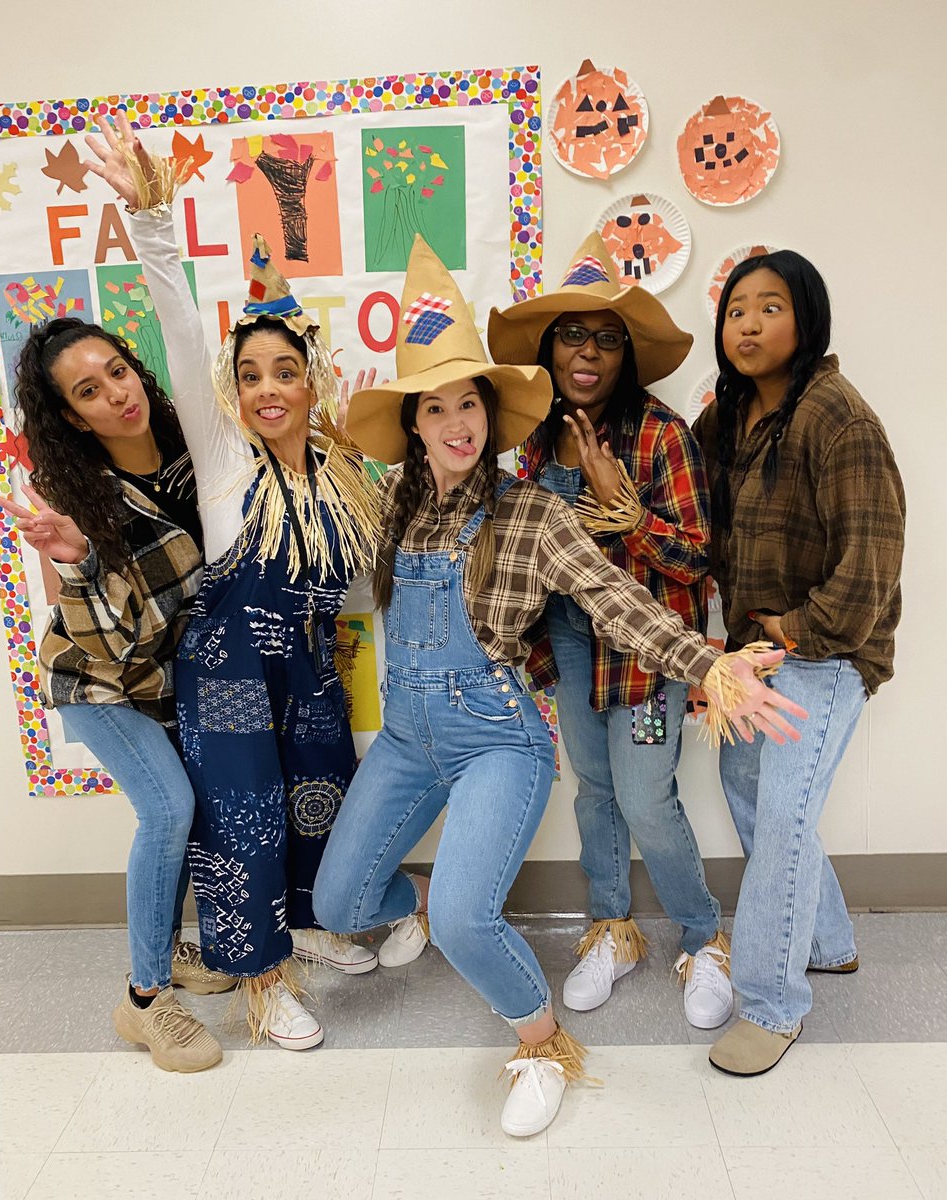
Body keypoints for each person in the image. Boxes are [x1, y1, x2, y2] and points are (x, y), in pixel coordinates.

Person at [313, 235, 807, 1137]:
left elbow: (621, 600)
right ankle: (427, 904)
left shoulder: (533, 508)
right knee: (337, 905)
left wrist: (713, 665)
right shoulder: (390, 504)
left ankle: (542, 1041)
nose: (458, 422)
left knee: (484, 913)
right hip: (407, 740)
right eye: (437, 407)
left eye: (472, 404)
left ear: (492, 418)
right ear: (414, 424)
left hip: (499, 735)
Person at [84, 112, 383, 1048]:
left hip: (310, 671)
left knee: (322, 795)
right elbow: (176, 319)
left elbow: (369, 593)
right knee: (243, 826)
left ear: (312, 380)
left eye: (284, 371)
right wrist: (153, 224)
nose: (265, 389)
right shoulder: (222, 460)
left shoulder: (343, 478)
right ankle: (258, 980)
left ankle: (307, 930)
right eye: (248, 373)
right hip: (227, 678)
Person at [488, 234, 732, 1029]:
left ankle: (703, 936)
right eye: (572, 334)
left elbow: (697, 556)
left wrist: (625, 512)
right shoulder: (528, 440)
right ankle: (612, 926)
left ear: (627, 355)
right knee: (595, 794)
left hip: (643, 654)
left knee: (644, 797)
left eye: (606, 338)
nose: (587, 352)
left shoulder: (661, 436)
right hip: (564, 646)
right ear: (550, 347)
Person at [694, 250, 905, 1076]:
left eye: (769, 307)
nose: (747, 323)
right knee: (752, 799)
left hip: (826, 652)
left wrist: (797, 631)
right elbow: (693, 511)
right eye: (736, 309)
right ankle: (831, 942)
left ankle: (773, 1006)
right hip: (756, 652)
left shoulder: (839, 418)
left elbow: (873, 562)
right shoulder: (731, 412)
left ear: (806, 317)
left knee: (781, 816)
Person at [2, 317, 231, 1073]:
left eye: (118, 372)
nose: (116, 395)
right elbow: (104, 645)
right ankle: (143, 999)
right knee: (167, 808)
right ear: (72, 415)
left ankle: (166, 946)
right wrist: (76, 565)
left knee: (194, 810)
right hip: (98, 680)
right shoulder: (74, 500)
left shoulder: (196, 450)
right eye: (88, 392)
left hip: (170, 676)